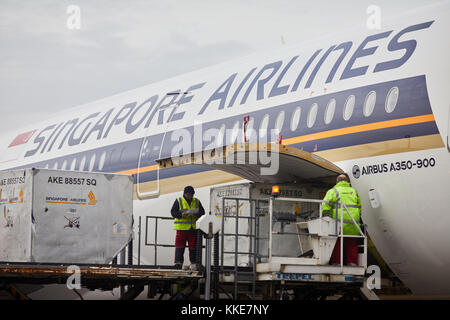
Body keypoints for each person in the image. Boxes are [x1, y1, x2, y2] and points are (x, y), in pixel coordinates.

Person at [322, 174, 362, 266]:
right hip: (353, 224)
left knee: (337, 243)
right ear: (348, 182)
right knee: (351, 244)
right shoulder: (354, 191)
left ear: (337, 182)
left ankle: (337, 263)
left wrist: (327, 219)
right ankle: (352, 263)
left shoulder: (333, 191)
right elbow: (359, 208)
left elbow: (325, 206)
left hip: (338, 224)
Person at [171, 186, 205, 270]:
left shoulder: (196, 201)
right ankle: (178, 263)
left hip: (192, 229)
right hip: (181, 229)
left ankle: (193, 263)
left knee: (193, 247)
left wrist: (197, 214)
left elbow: (202, 212)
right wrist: (181, 215)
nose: (189, 196)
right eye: (188, 194)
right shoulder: (179, 200)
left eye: (191, 194)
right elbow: (173, 212)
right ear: (184, 194)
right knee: (180, 247)